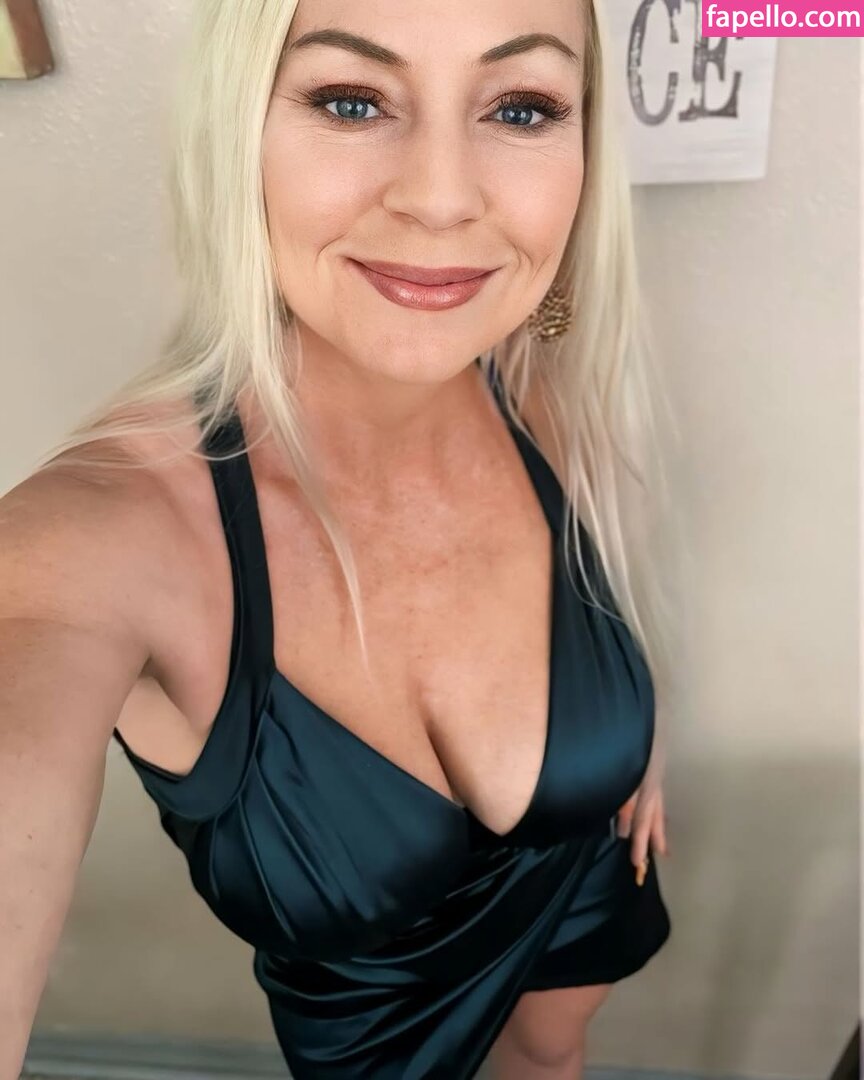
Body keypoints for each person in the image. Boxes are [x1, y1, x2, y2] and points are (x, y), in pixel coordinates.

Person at [0, 1, 676, 1078]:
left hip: (583, 886)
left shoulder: (536, 387)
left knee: (553, 1057)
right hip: (374, 1033)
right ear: (237, 130)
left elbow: (604, 575)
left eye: (522, 107)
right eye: (351, 100)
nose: (442, 198)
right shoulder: (93, 542)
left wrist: (638, 735)